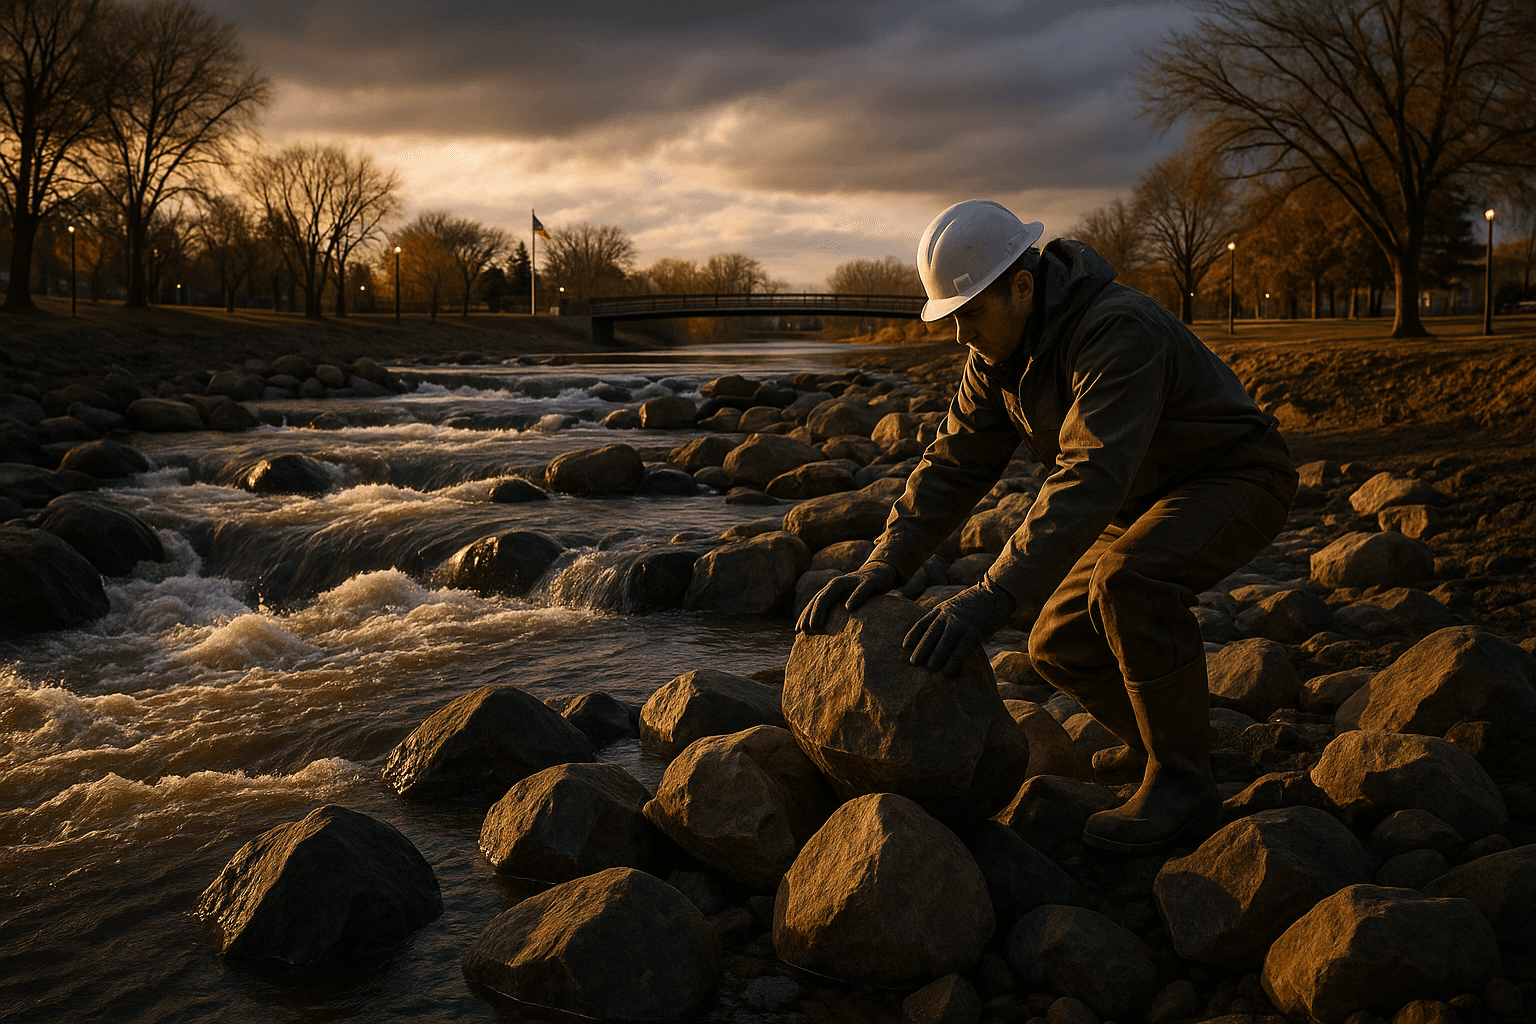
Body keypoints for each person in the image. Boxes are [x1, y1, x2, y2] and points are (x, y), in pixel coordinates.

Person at [797, 199, 1297, 852]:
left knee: (1130, 581)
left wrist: (992, 592)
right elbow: (952, 465)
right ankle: (1164, 749)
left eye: (968, 313)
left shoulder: (1119, 330)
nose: (958, 336)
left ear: (1023, 287)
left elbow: (1090, 474)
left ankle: (1184, 786)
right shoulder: (995, 358)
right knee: (1059, 643)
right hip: (1141, 499)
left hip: (1235, 478)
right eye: (951, 317)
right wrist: (883, 563)